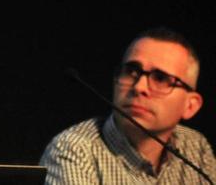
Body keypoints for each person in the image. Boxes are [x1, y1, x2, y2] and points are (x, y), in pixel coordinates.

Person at [41, 27, 216, 184]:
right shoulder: (75, 150)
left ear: (190, 106)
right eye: (132, 72)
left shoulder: (196, 147)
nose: (139, 87)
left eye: (160, 78)